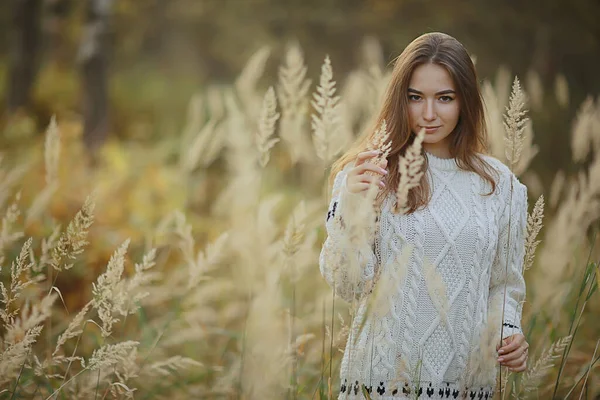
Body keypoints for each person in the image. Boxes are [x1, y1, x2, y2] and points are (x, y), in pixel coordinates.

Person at [319, 32, 529, 399]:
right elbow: (347, 286)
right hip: (380, 382)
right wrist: (352, 204)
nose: (428, 114)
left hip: (465, 385)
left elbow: (504, 286)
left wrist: (509, 329)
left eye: (444, 98)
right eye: (415, 97)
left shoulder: (502, 186)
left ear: (466, 101)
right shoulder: (368, 174)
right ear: (400, 99)